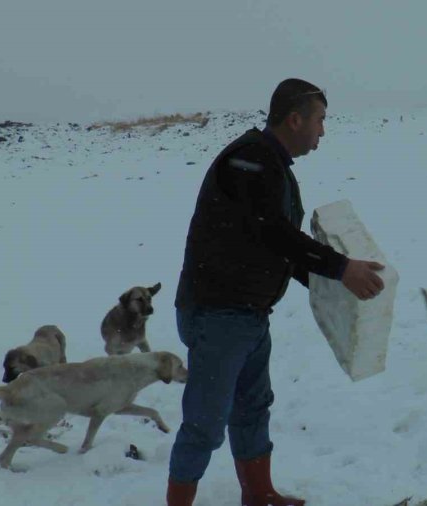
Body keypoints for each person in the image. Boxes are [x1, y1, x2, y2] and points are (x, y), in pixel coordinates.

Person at [166, 78, 385, 506]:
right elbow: (272, 232)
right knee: (205, 424)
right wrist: (340, 269)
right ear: (294, 118)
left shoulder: (271, 165)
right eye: (320, 120)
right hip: (217, 314)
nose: (323, 130)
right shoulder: (249, 160)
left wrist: (330, 284)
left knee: (253, 408)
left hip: (249, 315)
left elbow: (274, 246)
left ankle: (259, 494)